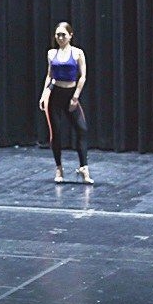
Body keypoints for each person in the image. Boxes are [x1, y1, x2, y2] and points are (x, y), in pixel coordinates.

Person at [39, 22, 93, 184]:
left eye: (63, 34)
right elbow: (49, 76)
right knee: (56, 133)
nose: (60, 38)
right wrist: (44, 95)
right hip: (55, 95)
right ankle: (59, 168)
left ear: (70, 35)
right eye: (58, 35)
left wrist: (75, 97)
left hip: (70, 94)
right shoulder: (51, 53)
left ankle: (84, 167)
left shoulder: (77, 53)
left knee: (82, 130)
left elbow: (82, 76)